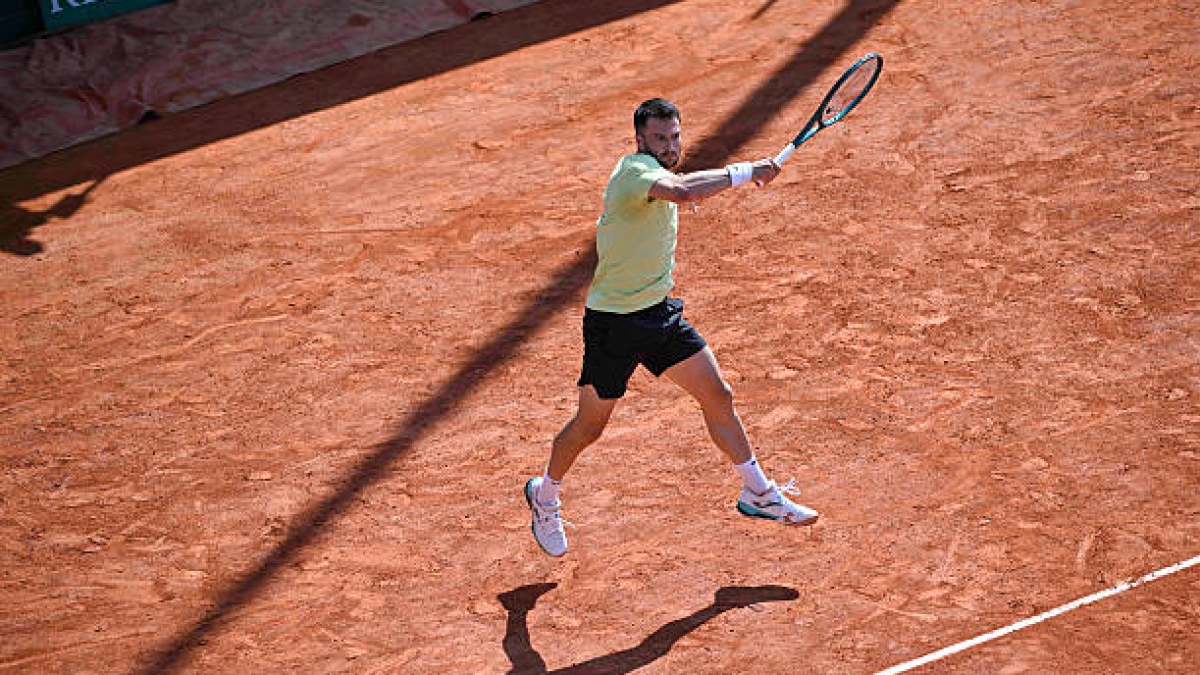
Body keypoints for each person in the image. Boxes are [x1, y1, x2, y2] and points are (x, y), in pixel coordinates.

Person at [524, 98, 817, 557]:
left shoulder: (660, 180)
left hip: (658, 315)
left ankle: (757, 492)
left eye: (675, 136)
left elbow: (678, 191)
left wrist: (703, 185)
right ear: (640, 140)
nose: (669, 145)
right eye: (660, 138)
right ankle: (544, 496)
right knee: (589, 427)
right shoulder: (634, 172)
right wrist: (748, 170)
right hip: (614, 326)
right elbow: (682, 191)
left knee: (717, 395)